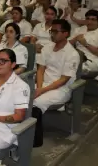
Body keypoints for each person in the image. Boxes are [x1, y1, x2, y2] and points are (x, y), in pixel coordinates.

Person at [32, 19, 80, 147]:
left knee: (35, 103)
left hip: (61, 89)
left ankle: (35, 140)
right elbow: (40, 69)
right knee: (22, 96)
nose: (52, 34)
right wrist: (39, 87)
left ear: (66, 34)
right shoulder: (47, 48)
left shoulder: (72, 54)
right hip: (44, 85)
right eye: (51, 31)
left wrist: (41, 91)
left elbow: (63, 79)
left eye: (55, 31)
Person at [70, 10, 98, 76]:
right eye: (87, 19)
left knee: (73, 68)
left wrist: (86, 44)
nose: (89, 22)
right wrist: (75, 39)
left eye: (93, 20)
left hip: (94, 60)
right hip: (77, 56)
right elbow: (66, 45)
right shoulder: (79, 29)